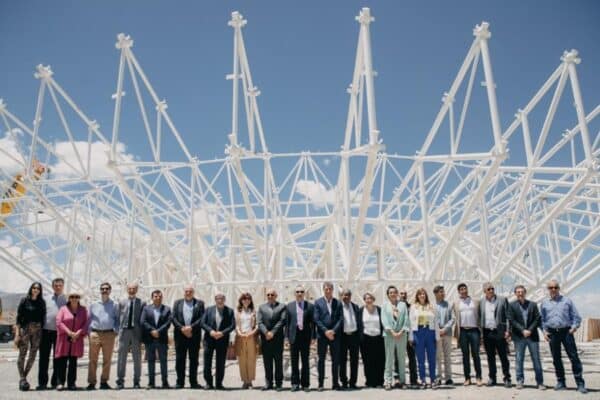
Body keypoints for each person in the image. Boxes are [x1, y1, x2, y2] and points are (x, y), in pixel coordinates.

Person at [540, 279, 587, 393]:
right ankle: (561, 382)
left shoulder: (567, 301)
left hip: (566, 332)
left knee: (574, 357)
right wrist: (544, 332)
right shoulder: (544, 303)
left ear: (559, 288)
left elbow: (576, 316)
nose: (554, 289)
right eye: (551, 287)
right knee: (556, 359)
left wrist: (574, 327)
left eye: (556, 287)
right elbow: (542, 319)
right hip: (552, 333)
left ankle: (580, 384)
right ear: (548, 290)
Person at [507, 285, 545, 390]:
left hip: (532, 336)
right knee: (519, 360)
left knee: (536, 360)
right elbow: (511, 320)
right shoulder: (511, 305)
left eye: (522, 291)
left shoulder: (533, 305)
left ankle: (540, 382)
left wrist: (529, 330)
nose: (520, 293)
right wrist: (522, 330)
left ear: (525, 292)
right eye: (518, 292)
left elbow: (537, 319)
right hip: (519, 337)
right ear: (515, 293)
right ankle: (519, 381)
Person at [87, 282, 119, 390]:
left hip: (109, 334)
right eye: (102, 288)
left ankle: (104, 381)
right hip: (95, 333)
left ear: (110, 290)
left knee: (107, 359)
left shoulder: (115, 305)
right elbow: (89, 319)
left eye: (106, 288)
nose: (104, 290)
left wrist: (115, 331)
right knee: (92, 359)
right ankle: (91, 382)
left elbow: (117, 319)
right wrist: (89, 333)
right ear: (100, 290)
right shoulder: (93, 304)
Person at [172, 285, 205, 389]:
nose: (188, 293)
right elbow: (173, 317)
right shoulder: (177, 303)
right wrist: (182, 328)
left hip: (194, 335)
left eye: (190, 291)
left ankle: (193, 382)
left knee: (194, 360)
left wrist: (190, 328)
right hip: (180, 335)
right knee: (180, 359)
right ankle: (180, 382)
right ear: (184, 292)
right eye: (186, 291)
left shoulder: (200, 303)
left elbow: (202, 318)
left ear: (193, 292)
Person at [15, 282, 46, 391]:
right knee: (22, 354)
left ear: (40, 290)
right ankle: (22, 378)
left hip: (37, 330)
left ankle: (24, 377)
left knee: (33, 355)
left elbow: (43, 319)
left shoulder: (42, 302)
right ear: (31, 289)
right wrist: (17, 334)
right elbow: (18, 319)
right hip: (25, 330)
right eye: (34, 288)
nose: (36, 290)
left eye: (38, 288)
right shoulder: (24, 300)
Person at [479, 282, 511, 388]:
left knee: (503, 356)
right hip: (487, 332)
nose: (491, 290)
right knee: (490, 357)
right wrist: (481, 335)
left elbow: (508, 316)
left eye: (492, 288)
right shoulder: (482, 302)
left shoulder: (502, 299)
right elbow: (480, 317)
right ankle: (492, 378)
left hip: (499, 332)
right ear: (484, 291)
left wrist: (507, 330)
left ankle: (507, 378)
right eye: (489, 289)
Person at [55, 291, 89, 391]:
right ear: (69, 298)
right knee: (62, 362)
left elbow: (86, 323)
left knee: (73, 362)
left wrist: (79, 332)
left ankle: (71, 383)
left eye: (76, 297)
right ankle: (60, 382)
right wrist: (69, 332)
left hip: (76, 340)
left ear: (79, 298)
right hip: (65, 339)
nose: (74, 298)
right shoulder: (63, 309)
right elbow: (59, 321)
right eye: (72, 296)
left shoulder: (83, 310)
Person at [201, 292, 235, 390]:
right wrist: (210, 331)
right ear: (215, 300)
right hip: (209, 339)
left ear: (224, 299)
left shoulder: (229, 311)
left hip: (222, 340)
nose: (220, 300)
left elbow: (232, 325)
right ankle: (208, 383)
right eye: (217, 298)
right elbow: (202, 323)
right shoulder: (208, 310)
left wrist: (222, 333)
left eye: (221, 298)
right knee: (207, 362)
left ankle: (219, 383)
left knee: (220, 362)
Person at [37, 277, 66, 390]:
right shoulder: (46, 299)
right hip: (46, 331)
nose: (58, 287)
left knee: (58, 358)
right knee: (44, 358)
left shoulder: (67, 300)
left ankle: (56, 382)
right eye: (56, 285)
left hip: (60, 333)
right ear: (52, 286)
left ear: (63, 286)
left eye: (60, 285)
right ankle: (42, 383)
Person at [313, 281, 343, 391]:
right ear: (323, 290)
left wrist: (333, 331)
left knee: (336, 360)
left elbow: (340, 319)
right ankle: (321, 384)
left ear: (332, 290)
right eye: (326, 289)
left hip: (335, 336)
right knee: (321, 360)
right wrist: (326, 331)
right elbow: (316, 319)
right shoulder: (318, 302)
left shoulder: (338, 303)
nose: (328, 290)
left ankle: (335, 383)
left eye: (330, 288)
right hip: (322, 336)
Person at [140, 289, 172, 389]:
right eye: (155, 296)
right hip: (150, 339)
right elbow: (143, 321)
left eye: (159, 296)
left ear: (162, 297)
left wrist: (158, 331)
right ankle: (151, 382)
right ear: (152, 298)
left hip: (162, 338)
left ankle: (165, 382)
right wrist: (152, 331)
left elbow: (168, 322)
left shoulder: (167, 309)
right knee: (151, 361)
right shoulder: (146, 309)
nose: (158, 298)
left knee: (163, 361)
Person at [116, 282, 145, 389]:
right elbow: (118, 316)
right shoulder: (121, 302)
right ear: (127, 289)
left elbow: (142, 319)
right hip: (124, 331)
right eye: (130, 288)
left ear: (136, 289)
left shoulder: (142, 303)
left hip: (136, 332)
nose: (131, 290)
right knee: (121, 357)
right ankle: (120, 381)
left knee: (137, 358)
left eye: (133, 288)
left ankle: (137, 381)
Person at [257, 288, 287, 391]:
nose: (270, 296)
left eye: (272, 295)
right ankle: (268, 383)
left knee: (278, 362)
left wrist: (272, 332)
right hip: (266, 339)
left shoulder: (282, 306)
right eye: (268, 295)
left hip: (277, 339)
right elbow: (259, 322)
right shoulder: (261, 307)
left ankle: (279, 384)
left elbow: (282, 321)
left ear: (276, 296)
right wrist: (266, 332)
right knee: (267, 362)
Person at [286, 285, 315, 392]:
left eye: (301, 291)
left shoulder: (310, 306)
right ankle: (294, 383)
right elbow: (287, 324)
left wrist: (313, 337)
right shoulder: (289, 306)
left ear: (304, 293)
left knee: (305, 361)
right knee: (294, 361)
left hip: (305, 337)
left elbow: (313, 324)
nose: (299, 293)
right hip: (294, 337)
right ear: (295, 293)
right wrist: (286, 338)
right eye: (297, 291)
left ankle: (305, 384)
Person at [409, 288, 439, 389]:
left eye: (423, 294)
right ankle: (422, 380)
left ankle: (433, 380)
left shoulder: (431, 306)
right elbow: (410, 323)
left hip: (430, 332)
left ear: (426, 295)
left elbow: (436, 322)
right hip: (418, 332)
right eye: (420, 294)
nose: (422, 295)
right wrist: (411, 337)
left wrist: (437, 336)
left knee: (432, 358)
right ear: (417, 296)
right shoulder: (414, 307)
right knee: (420, 359)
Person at [381, 285, 410, 390]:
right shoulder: (384, 305)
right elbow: (384, 319)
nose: (393, 294)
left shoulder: (403, 305)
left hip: (402, 335)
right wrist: (392, 331)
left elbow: (406, 318)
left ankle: (402, 381)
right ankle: (388, 381)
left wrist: (402, 331)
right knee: (389, 359)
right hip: (389, 335)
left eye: (394, 292)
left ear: (397, 293)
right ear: (388, 295)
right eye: (390, 292)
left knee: (402, 359)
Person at [453, 283, 482, 386]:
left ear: (467, 290)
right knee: (465, 356)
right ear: (459, 291)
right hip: (463, 331)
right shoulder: (456, 303)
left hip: (474, 330)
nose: (463, 290)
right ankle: (467, 378)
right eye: (461, 289)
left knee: (476, 355)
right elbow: (454, 318)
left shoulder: (476, 302)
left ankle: (478, 377)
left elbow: (481, 316)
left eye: (465, 288)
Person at [358, 292, 384, 388]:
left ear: (373, 299)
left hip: (378, 338)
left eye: (370, 298)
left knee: (379, 360)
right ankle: (369, 381)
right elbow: (359, 324)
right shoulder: (361, 311)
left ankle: (379, 381)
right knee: (367, 361)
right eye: (366, 298)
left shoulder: (379, 310)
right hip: (366, 339)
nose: (368, 300)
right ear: (364, 300)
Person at [235, 292, 258, 389]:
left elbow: (257, 325)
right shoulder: (237, 312)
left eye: (248, 299)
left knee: (251, 358)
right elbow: (236, 325)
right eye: (244, 299)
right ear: (241, 300)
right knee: (242, 359)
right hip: (241, 336)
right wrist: (239, 332)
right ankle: (245, 381)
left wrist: (251, 333)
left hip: (251, 336)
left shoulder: (253, 311)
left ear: (250, 300)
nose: (246, 300)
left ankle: (250, 380)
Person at [339, 288, 361, 390]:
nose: (346, 297)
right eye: (344, 295)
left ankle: (353, 382)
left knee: (354, 360)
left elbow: (359, 322)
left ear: (350, 296)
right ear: (341, 296)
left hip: (354, 336)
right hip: (342, 337)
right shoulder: (338, 307)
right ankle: (343, 381)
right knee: (342, 360)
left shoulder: (355, 307)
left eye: (347, 295)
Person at [433, 285, 454, 385]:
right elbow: (431, 320)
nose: (443, 293)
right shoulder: (431, 306)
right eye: (441, 292)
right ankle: (438, 378)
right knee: (437, 357)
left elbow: (452, 319)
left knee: (447, 356)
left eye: (443, 291)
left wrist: (444, 329)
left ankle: (448, 378)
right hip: (437, 334)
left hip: (447, 333)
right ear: (436, 294)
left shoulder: (449, 305)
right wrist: (438, 330)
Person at [398, 289, 418, 387]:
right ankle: (400, 380)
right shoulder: (395, 307)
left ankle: (413, 380)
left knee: (412, 358)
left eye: (405, 294)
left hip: (410, 336)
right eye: (402, 293)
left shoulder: (411, 308)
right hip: (399, 336)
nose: (403, 295)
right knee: (398, 358)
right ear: (399, 295)